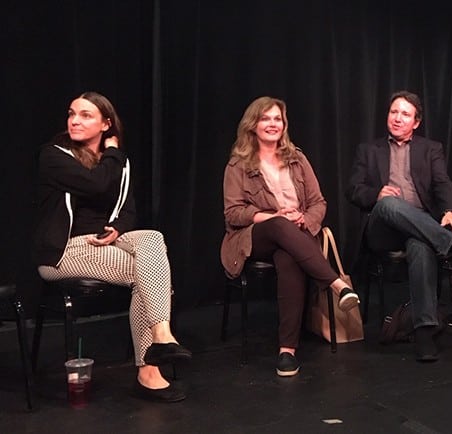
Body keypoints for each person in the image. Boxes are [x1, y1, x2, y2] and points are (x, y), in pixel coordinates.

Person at [34, 92, 192, 402]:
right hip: (64, 250)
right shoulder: (53, 155)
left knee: (152, 238)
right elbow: (95, 183)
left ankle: (161, 337)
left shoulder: (119, 165)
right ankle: (149, 369)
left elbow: (128, 210)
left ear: (106, 123)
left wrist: (117, 229)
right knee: (149, 275)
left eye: (86, 115)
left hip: (106, 242)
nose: (75, 120)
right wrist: (114, 152)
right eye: (71, 114)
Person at [222, 96, 359, 377]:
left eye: (277, 119)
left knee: (288, 257)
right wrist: (273, 217)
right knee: (279, 225)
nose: (273, 124)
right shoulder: (238, 165)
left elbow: (318, 202)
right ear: (253, 125)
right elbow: (233, 213)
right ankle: (336, 285)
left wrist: (305, 219)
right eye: (266, 118)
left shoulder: (297, 159)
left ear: (284, 125)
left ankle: (287, 351)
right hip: (255, 237)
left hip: (298, 236)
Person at [346, 90, 452, 362]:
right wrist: (376, 195)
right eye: (393, 112)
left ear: (416, 122)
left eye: (405, 114)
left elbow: (443, 184)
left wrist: (450, 213)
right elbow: (353, 189)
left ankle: (423, 332)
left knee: (421, 246)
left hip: (418, 225)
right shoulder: (369, 150)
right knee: (388, 204)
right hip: (382, 228)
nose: (397, 119)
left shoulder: (430, 149)